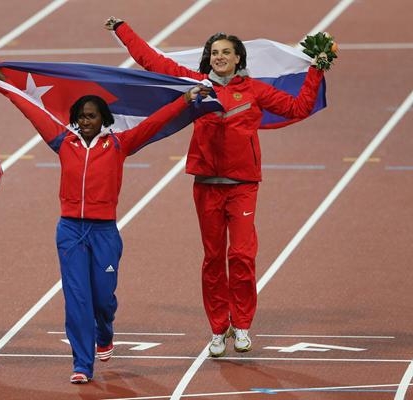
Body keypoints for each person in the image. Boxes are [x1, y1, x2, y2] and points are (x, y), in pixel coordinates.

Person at [105, 17, 331, 357]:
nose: (220, 57)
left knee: (241, 254)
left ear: (239, 57)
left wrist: (316, 70)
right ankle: (217, 329)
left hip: (242, 185)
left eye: (226, 52)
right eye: (215, 52)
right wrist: (123, 30)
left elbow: (298, 108)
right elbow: (152, 61)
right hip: (206, 184)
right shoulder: (195, 85)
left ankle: (241, 326)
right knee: (213, 258)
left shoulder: (255, 90)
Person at [0, 61, 209, 383]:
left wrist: (186, 99)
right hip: (70, 231)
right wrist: (3, 83)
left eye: (91, 116)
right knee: (77, 298)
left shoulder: (120, 144)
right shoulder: (63, 142)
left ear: (103, 119)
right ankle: (82, 364)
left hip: (104, 232)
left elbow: (157, 121)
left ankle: (105, 334)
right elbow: (30, 108)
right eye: (80, 116)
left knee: (103, 299)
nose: (84, 121)